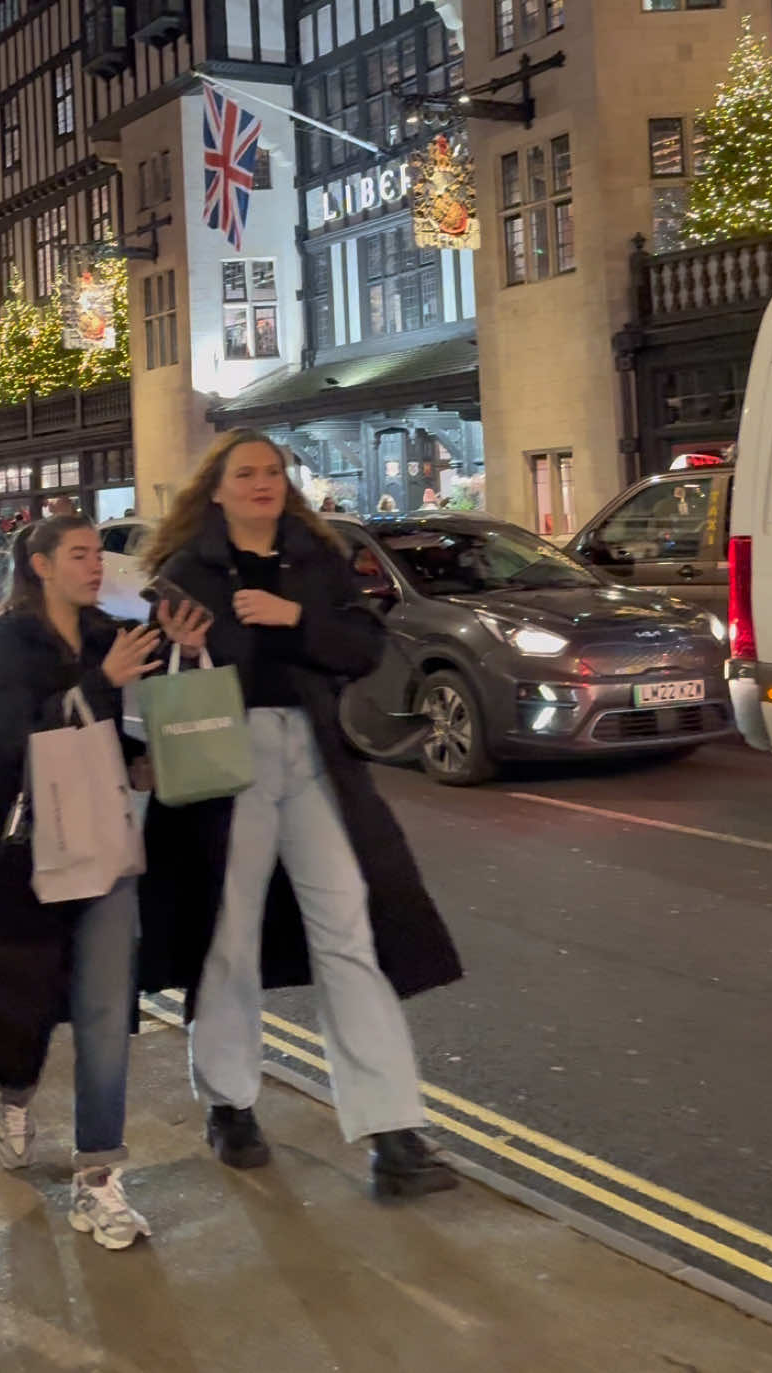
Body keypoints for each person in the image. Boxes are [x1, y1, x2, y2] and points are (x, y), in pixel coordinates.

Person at [141, 432, 463, 1200]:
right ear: (213, 490)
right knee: (232, 932)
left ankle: (392, 1132)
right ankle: (229, 1100)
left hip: (318, 752)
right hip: (229, 755)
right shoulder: (185, 573)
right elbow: (158, 672)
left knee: (348, 929)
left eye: (272, 471)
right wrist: (195, 646)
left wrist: (293, 617)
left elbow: (363, 647)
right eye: (244, 473)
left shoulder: (316, 560)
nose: (262, 483)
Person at [0, 514, 194, 1250]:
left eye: (98, 554)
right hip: (28, 849)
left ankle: (98, 1180)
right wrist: (100, 684)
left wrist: (182, 652)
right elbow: (9, 732)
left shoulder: (103, 635)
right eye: (80, 554)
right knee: (28, 995)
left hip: (103, 840)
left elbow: (121, 725)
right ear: (41, 563)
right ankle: (14, 1091)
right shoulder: (11, 640)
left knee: (105, 1010)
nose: (96, 565)